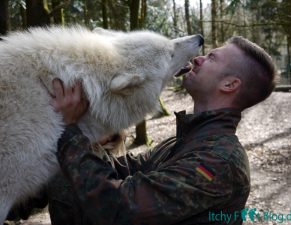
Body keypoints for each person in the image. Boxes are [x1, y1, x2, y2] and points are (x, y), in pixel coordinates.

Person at [49, 36, 276, 225]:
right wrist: (87, 128)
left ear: (229, 85)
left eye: (211, 58)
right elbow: (118, 169)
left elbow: (118, 207)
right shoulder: (183, 142)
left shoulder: (218, 162)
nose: (197, 59)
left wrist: (71, 131)